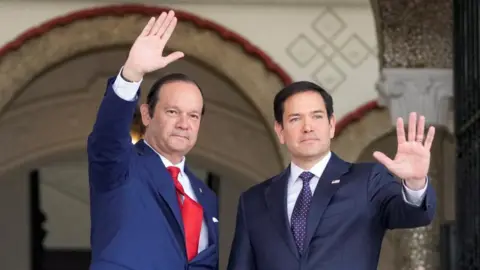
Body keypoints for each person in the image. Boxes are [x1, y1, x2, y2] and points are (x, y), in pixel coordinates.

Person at [227, 81, 436, 270]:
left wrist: (415, 182)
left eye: (317, 116)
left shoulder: (367, 181)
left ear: (331, 125)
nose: (307, 127)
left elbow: (413, 214)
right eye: (295, 119)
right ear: (280, 131)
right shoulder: (253, 201)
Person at [87, 11, 218, 270]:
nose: (184, 123)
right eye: (172, 112)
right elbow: (107, 137)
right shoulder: (121, 166)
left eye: (193, 115)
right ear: (147, 114)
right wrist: (132, 74)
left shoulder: (206, 195)